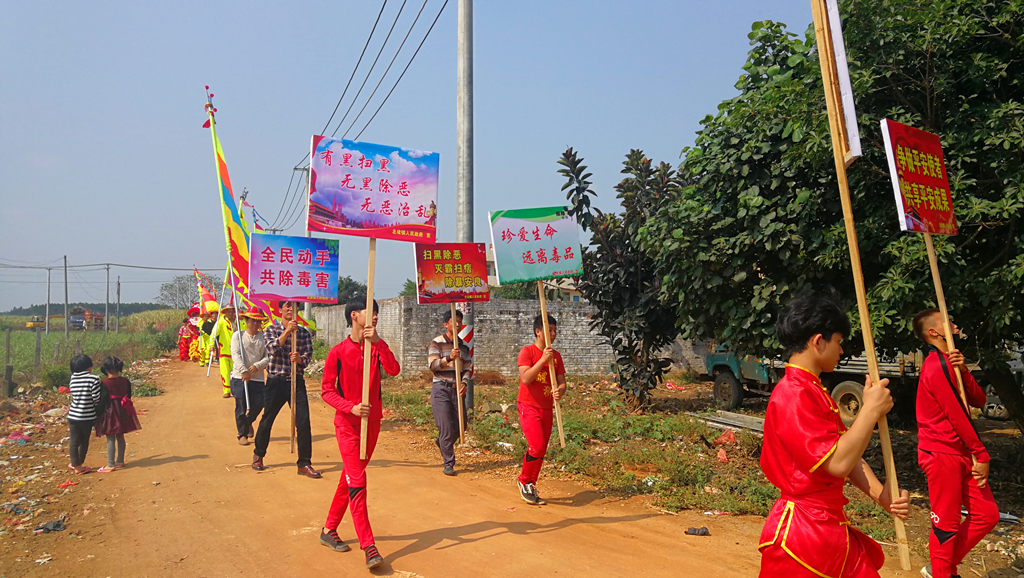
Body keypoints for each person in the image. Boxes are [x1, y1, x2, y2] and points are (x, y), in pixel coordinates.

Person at [758, 289, 910, 578]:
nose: (841, 351)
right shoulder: (793, 394)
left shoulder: (814, 390)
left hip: (829, 526)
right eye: (838, 342)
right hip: (802, 536)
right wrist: (869, 412)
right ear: (818, 341)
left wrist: (883, 496)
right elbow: (837, 463)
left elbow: (847, 455)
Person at [912, 309, 998, 578]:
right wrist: (981, 454)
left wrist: (963, 369)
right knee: (945, 524)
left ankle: (942, 568)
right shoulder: (935, 365)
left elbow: (979, 401)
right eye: (947, 322)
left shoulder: (950, 362)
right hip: (940, 453)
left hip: (958, 451)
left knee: (987, 514)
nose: (954, 324)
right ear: (934, 333)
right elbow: (957, 415)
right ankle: (942, 573)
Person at [319, 297, 400, 569]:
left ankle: (329, 529)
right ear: (354, 315)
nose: (375, 316)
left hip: (372, 424)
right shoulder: (337, 352)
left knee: (350, 478)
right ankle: (369, 546)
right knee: (359, 481)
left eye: (377, 312)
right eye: (370, 311)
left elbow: (394, 370)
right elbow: (327, 391)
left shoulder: (375, 348)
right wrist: (350, 407)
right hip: (347, 425)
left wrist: (378, 342)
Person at [252, 300, 321, 478]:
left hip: (296, 381)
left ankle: (304, 463)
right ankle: (258, 455)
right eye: (287, 306)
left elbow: (307, 358)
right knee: (267, 419)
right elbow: (272, 349)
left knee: (303, 422)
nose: (291, 309)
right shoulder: (271, 330)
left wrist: (298, 359)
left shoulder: (304, 334)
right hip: (276, 381)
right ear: (280, 309)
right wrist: (287, 331)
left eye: (294, 306)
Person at [515, 314, 566, 506]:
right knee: (536, 445)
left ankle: (531, 484)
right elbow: (526, 378)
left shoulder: (557, 357)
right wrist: (543, 359)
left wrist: (560, 392)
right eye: (549, 330)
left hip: (546, 407)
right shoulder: (527, 352)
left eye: (554, 330)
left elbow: (562, 383)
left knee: (542, 448)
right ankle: (524, 480)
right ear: (538, 331)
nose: (553, 334)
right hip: (528, 405)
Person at [427, 309, 471, 476]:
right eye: (454, 321)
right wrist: (449, 358)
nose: (458, 324)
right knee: (445, 426)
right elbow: (433, 366)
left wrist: (465, 382)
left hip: (457, 390)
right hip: (441, 389)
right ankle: (449, 463)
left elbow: (468, 368)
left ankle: (442, 442)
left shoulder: (464, 346)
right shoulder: (436, 343)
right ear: (446, 324)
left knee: (461, 426)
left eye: (460, 321)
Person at [93, 356, 141, 473]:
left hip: (110, 412)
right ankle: (120, 460)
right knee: (120, 436)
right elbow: (128, 396)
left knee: (110, 436)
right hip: (123, 410)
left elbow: (103, 400)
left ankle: (110, 464)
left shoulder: (104, 384)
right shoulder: (126, 381)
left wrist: (97, 413)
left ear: (105, 370)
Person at [230, 309, 270, 446]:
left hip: (257, 378)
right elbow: (235, 354)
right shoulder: (238, 336)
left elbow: (268, 356)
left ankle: (247, 423)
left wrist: (258, 366)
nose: (255, 323)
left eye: (258, 321)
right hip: (239, 377)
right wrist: (243, 370)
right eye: (252, 320)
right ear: (246, 321)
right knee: (241, 405)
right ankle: (242, 434)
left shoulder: (264, 337)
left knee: (259, 404)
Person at [67, 354, 102, 475]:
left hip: (72, 415)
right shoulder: (94, 379)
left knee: (74, 441)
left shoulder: (73, 378)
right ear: (89, 366)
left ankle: (74, 462)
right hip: (87, 417)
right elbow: (96, 398)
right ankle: (78, 466)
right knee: (83, 441)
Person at [213, 307, 236, 398]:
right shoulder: (221, 322)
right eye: (228, 312)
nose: (230, 314)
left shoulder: (239, 322)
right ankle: (226, 390)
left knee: (235, 372)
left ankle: (235, 389)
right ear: (225, 313)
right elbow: (214, 333)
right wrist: (211, 345)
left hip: (237, 351)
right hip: (224, 350)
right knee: (225, 371)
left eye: (231, 312)